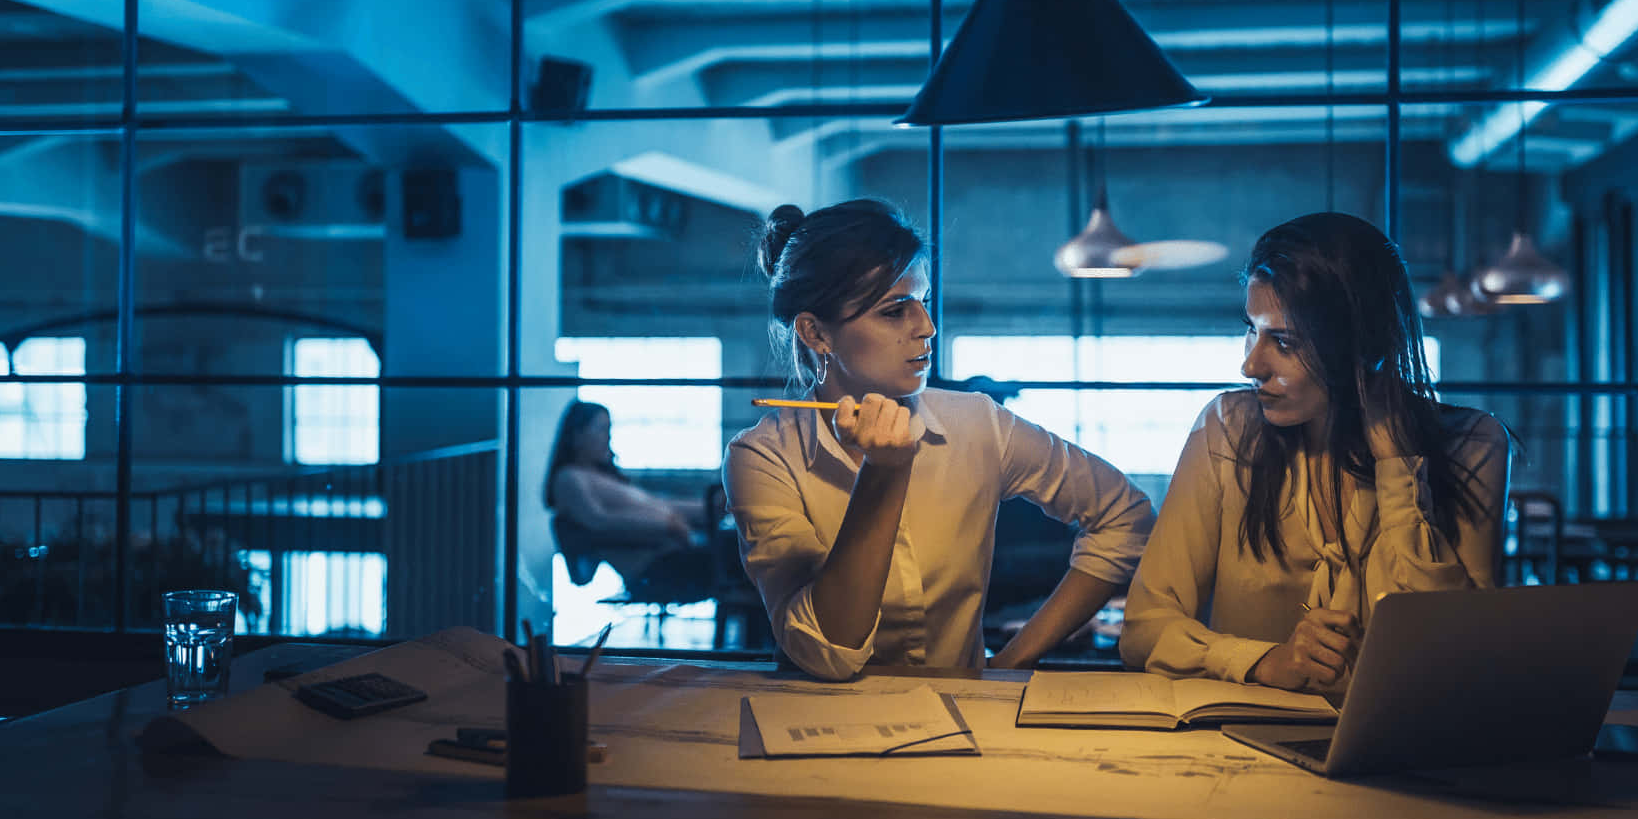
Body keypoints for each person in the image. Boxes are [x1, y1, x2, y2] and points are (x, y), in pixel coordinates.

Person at [724, 199, 1155, 681]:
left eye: (923, 302)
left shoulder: (978, 424)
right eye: (894, 311)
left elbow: (1126, 515)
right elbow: (829, 653)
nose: (927, 328)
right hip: (816, 734)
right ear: (815, 332)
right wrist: (883, 474)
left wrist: (1013, 660)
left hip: (967, 724)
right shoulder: (762, 458)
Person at [1119, 212, 1511, 692]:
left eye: (1283, 341)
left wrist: (1396, 464)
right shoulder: (1228, 429)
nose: (1249, 365)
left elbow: (1459, 654)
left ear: (1362, 345)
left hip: (1401, 747)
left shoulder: (1472, 443)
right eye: (1252, 329)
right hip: (1240, 749)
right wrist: (1263, 661)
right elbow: (1144, 629)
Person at [544, 400, 709, 592]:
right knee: (736, 558)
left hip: (670, 552)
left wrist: (709, 507)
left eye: (609, 429)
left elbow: (662, 505)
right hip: (652, 566)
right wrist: (666, 525)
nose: (608, 437)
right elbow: (598, 521)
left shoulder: (604, 477)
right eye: (601, 429)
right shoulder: (570, 478)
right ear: (577, 435)